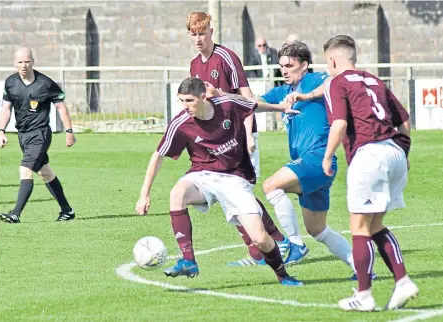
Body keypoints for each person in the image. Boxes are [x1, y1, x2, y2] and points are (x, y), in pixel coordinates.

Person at [135, 77, 303, 286]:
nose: (184, 106)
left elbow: (253, 105)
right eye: (181, 101)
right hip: (202, 175)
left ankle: (283, 275)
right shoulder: (180, 123)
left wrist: (281, 107)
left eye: (189, 100)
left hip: (234, 178)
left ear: (203, 97)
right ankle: (188, 260)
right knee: (177, 193)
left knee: (260, 238)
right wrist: (144, 194)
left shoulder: (228, 105)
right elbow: (158, 156)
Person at [321, 35, 418, 311]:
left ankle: (364, 296)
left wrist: (328, 157)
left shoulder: (336, 83)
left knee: (359, 228)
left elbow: (339, 123)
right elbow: (404, 121)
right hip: (394, 152)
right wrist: (404, 154)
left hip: (369, 155)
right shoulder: (375, 80)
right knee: (374, 225)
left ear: (332, 59)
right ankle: (402, 281)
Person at [186, 11, 290, 265]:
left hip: (240, 135)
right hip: (217, 140)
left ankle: (270, 246)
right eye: (193, 34)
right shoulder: (194, 65)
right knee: (228, 192)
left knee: (235, 191)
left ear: (211, 31)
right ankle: (271, 244)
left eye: (202, 33)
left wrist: (248, 135)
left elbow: (248, 99)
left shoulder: (226, 58)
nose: (198, 38)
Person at [251, 41, 359, 278]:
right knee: (317, 229)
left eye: (289, 65)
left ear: (304, 65)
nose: (284, 70)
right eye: (281, 66)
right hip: (314, 166)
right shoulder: (281, 92)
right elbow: (253, 104)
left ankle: (295, 244)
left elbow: (334, 81)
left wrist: (306, 95)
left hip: (318, 158)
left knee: (271, 186)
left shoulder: (315, 81)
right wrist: (277, 106)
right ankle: (361, 268)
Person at [0, 47, 76, 223]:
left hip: (40, 133)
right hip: (23, 135)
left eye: (27, 61)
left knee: (25, 170)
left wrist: (69, 131)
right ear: (14, 63)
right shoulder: (10, 82)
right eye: (20, 62)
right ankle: (67, 211)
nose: (23, 65)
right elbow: (6, 108)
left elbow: (61, 107)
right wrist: (1, 131)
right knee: (45, 173)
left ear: (33, 61)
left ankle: (16, 213)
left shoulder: (45, 83)